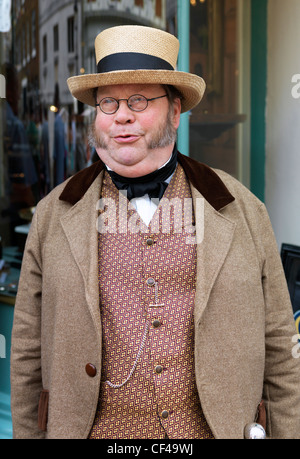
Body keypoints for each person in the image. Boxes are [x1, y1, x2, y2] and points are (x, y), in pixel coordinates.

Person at [10, 25, 300, 439]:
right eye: (107, 103)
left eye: (140, 100)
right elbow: (25, 355)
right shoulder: (53, 215)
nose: (122, 115)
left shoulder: (242, 209)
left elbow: (280, 351)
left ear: (176, 111)